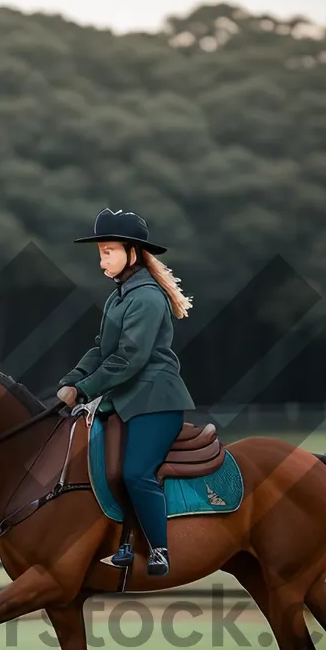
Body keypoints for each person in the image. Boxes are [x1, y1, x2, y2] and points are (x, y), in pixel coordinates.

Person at [57, 208, 195, 577]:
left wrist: (84, 389)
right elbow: (102, 349)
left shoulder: (146, 297)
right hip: (125, 400)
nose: (102, 259)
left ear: (131, 252)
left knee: (135, 473)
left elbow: (130, 358)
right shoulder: (119, 297)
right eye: (100, 252)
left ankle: (160, 549)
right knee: (103, 467)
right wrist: (71, 381)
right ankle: (122, 540)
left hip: (155, 400)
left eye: (108, 251)